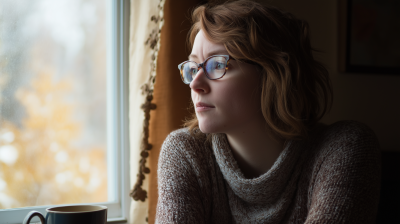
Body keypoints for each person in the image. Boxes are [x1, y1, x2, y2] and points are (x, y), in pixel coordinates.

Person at [156, 0, 381, 223]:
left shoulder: (343, 149)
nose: (195, 84)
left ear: (272, 74)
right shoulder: (185, 152)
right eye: (192, 68)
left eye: (217, 65)